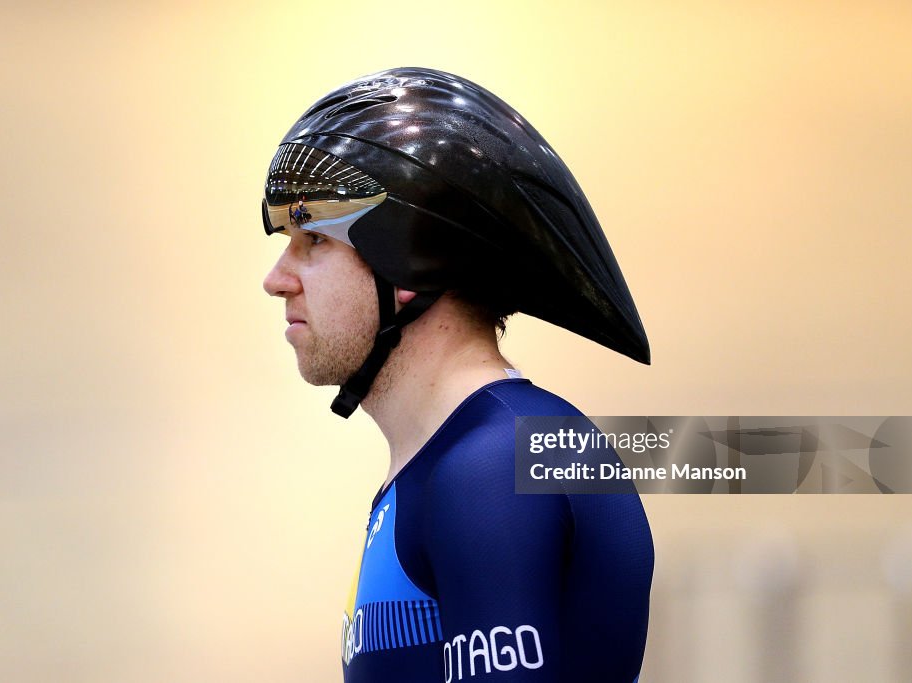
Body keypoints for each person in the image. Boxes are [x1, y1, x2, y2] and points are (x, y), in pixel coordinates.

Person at [261, 67, 654, 683]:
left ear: (411, 255)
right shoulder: (449, 461)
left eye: (312, 240)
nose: (276, 278)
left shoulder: (495, 466)